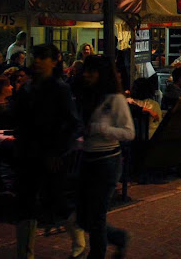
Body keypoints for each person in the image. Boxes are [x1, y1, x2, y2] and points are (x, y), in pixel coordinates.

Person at [13, 44, 82, 259]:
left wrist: (58, 151)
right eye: (36, 57)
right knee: (26, 204)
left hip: (51, 155)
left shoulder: (60, 88)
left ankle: (77, 235)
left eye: (43, 58)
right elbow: (20, 121)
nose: (38, 62)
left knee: (57, 201)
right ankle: (25, 253)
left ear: (54, 60)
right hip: (28, 154)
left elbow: (72, 124)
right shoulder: (28, 88)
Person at [74, 55, 134, 259]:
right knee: (83, 216)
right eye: (85, 70)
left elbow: (129, 132)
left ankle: (96, 254)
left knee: (97, 215)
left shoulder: (115, 99)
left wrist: (103, 129)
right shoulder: (87, 96)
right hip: (87, 158)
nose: (86, 75)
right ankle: (117, 237)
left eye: (92, 71)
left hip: (107, 161)